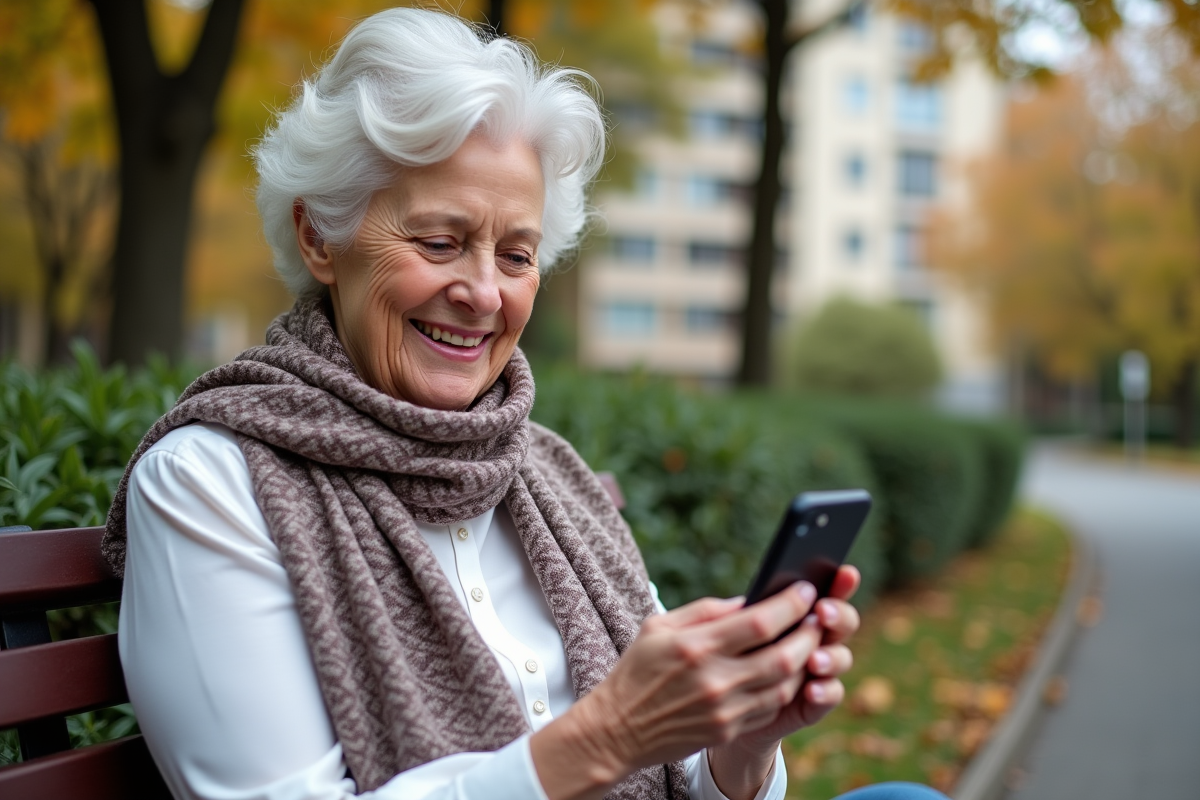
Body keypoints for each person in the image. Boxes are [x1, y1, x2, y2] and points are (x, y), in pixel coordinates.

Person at [102, 9, 950, 800]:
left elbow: (691, 772)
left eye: (517, 256)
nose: (481, 292)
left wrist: (745, 737)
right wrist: (605, 737)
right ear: (319, 236)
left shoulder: (546, 470)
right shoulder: (211, 481)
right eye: (440, 242)